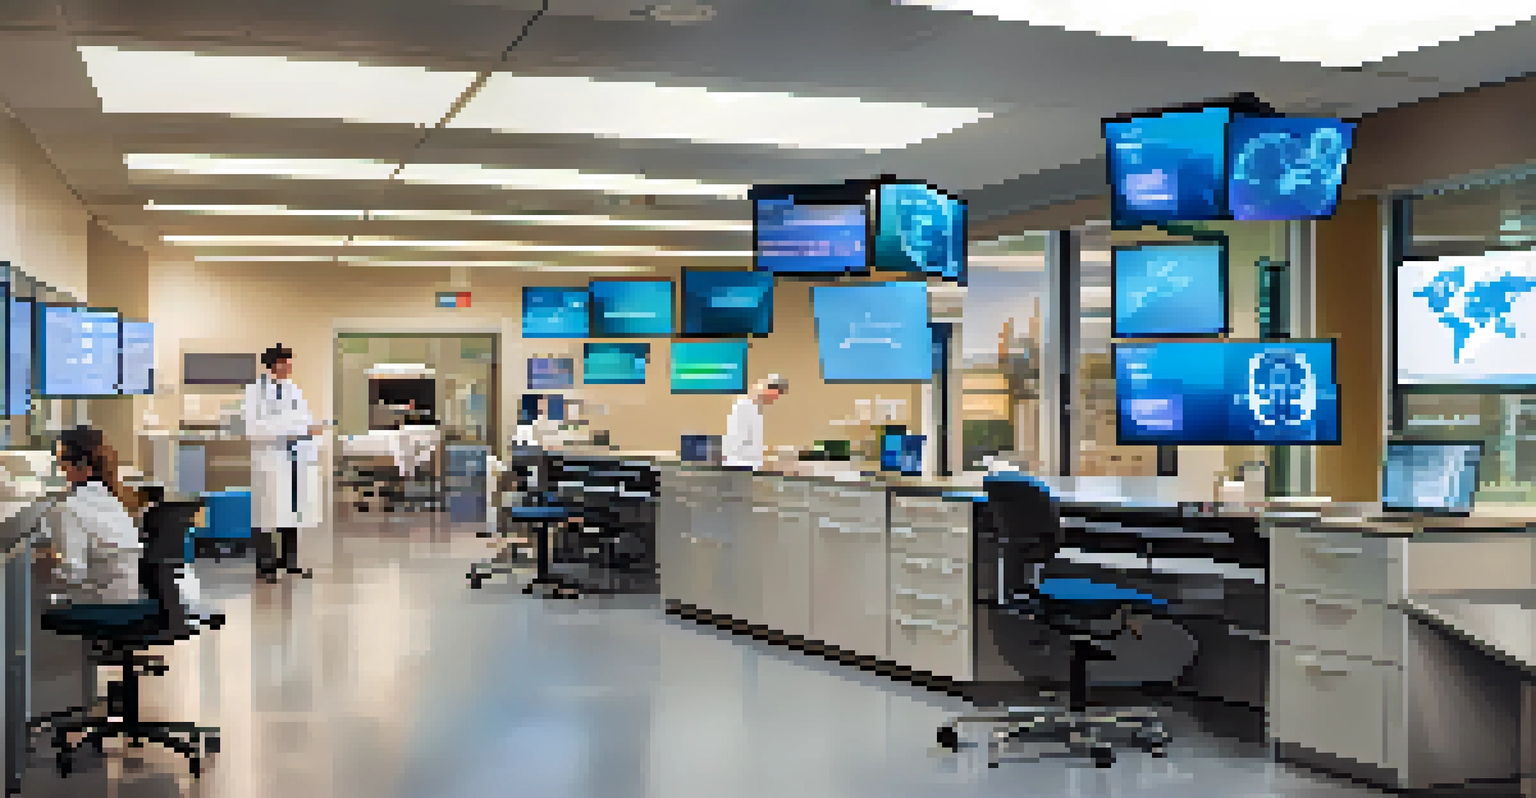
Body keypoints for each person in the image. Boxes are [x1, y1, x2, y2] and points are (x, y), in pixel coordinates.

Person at [34, 427, 144, 606]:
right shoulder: (111, 500)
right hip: (128, 602)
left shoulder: (69, 507)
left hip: (100, 606)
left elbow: (73, 574)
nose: (60, 468)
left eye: (62, 461)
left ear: (82, 465)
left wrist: (40, 566)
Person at [245, 344, 324, 582]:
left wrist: (309, 429)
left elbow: (304, 419)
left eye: (290, 363)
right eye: (285, 362)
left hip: (293, 456)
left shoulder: (293, 390)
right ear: (274, 364)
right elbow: (253, 427)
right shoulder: (254, 391)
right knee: (267, 512)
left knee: (291, 510)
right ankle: (266, 565)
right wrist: (289, 429)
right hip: (269, 457)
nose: (289, 367)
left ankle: (290, 562)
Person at [723, 374, 787, 470]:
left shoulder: (754, 408)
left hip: (746, 466)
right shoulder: (743, 407)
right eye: (775, 395)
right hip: (740, 466)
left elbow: (752, 443)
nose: (774, 399)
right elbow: (738, 444)